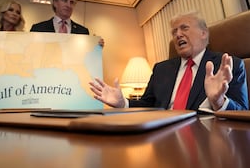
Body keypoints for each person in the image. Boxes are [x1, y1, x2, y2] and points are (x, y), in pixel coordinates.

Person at [89, 11, 249, 111]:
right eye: (174, 32)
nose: (178, 35)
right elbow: (147, 104)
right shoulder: (161, 69)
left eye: (184, 28)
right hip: (162, 141)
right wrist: (122, 102)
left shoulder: (228, 65)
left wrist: (219, 102)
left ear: (203, 33)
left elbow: (242, 112)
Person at [30, 0, 104, 46]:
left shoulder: (83, 32)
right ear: (55, 3)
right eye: (64, 0)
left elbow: (85, 56)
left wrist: (95, 47)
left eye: (72, 2)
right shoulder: (38, 29)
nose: (68, 5)